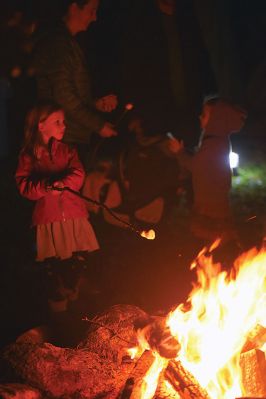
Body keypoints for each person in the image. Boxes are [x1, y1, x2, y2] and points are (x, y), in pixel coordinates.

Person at [32, 0, 118, 167]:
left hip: (68, 137)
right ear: (73, 7)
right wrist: (98, 125)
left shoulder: (65, 42)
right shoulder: (59, 43)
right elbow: (63, 96)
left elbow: (64, 91)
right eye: (91, 10)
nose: (94, 18)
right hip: (65, 139)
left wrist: (93, 104)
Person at [15, 102, 99, 262]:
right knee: (56, 261)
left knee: (80, 258)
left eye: (64, 122)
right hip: (49, 219)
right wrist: (46, 186)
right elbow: (24, 186)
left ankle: (76, 283)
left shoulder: (67, 150)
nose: (64, 126)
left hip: (75, 215)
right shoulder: (29, 156)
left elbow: (79, 173)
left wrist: (64, 183)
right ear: (41, 126)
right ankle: (59, 283)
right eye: (57, 122)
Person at [168, 97, 247, 241]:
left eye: (204, 115)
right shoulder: (217, 140)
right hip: (213, 200)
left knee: (210, 237)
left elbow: (196, 166)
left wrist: (179, 152)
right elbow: (203, 163)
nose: (200, 117)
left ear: (216, 120)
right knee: (215, 238)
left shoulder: (213, 144)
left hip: (210, 206)